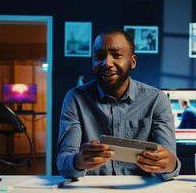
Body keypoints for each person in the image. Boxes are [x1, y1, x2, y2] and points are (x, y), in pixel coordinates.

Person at [57, 29, 181, 181]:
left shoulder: (156, 100)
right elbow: (63, 163)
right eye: (99, 57)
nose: (107, 63)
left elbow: (170, 163)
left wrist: (168, 164)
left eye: (116, 55)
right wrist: (78, 161)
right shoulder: (75, 98)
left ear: (133, 61)